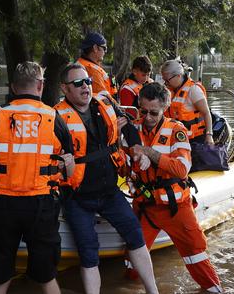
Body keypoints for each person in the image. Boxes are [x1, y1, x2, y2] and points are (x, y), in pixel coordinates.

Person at [54, 63, 159, 294]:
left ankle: (153, 291)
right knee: (88, 251)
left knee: (135, 235)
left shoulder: (106, 104)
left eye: (88, 82)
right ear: (65, 88)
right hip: (77, 196)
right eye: (78, 83)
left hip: (110, 192)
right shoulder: (56, 117)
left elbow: (130, 131)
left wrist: (139, 152)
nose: (86, 87)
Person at [0, 61, 76, 294]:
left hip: (3, 204)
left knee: (0, 276)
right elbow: (69, 171)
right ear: (40, 85)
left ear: (13, 87)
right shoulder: (55, 119)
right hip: (41, 205)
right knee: (47, 276)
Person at [128, 82, 223, 293]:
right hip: (146, 206)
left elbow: (181, 169)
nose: (148, 117)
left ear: (165, 109)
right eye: (143, 111)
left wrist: (148, 153)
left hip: (176, 207)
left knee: (196, 256)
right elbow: (124, 163)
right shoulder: (132, 128)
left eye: (154, 112)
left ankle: (214, 289)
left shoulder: (177, 130)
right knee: (132, 266)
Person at [160, 59, 214, 145]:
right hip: (175, 135)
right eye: (164, 80)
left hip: (194, 138)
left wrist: (209, 135)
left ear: (178, 76)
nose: (165, 83)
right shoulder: (168, 90)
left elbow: (206, 113)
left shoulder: (193, 90)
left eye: (167, 80)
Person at [76, 31, 118, 100]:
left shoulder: (84, 64)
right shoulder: (91, 69)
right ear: (95, 48)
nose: (105, 51)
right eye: (104, 48)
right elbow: (104, 99)